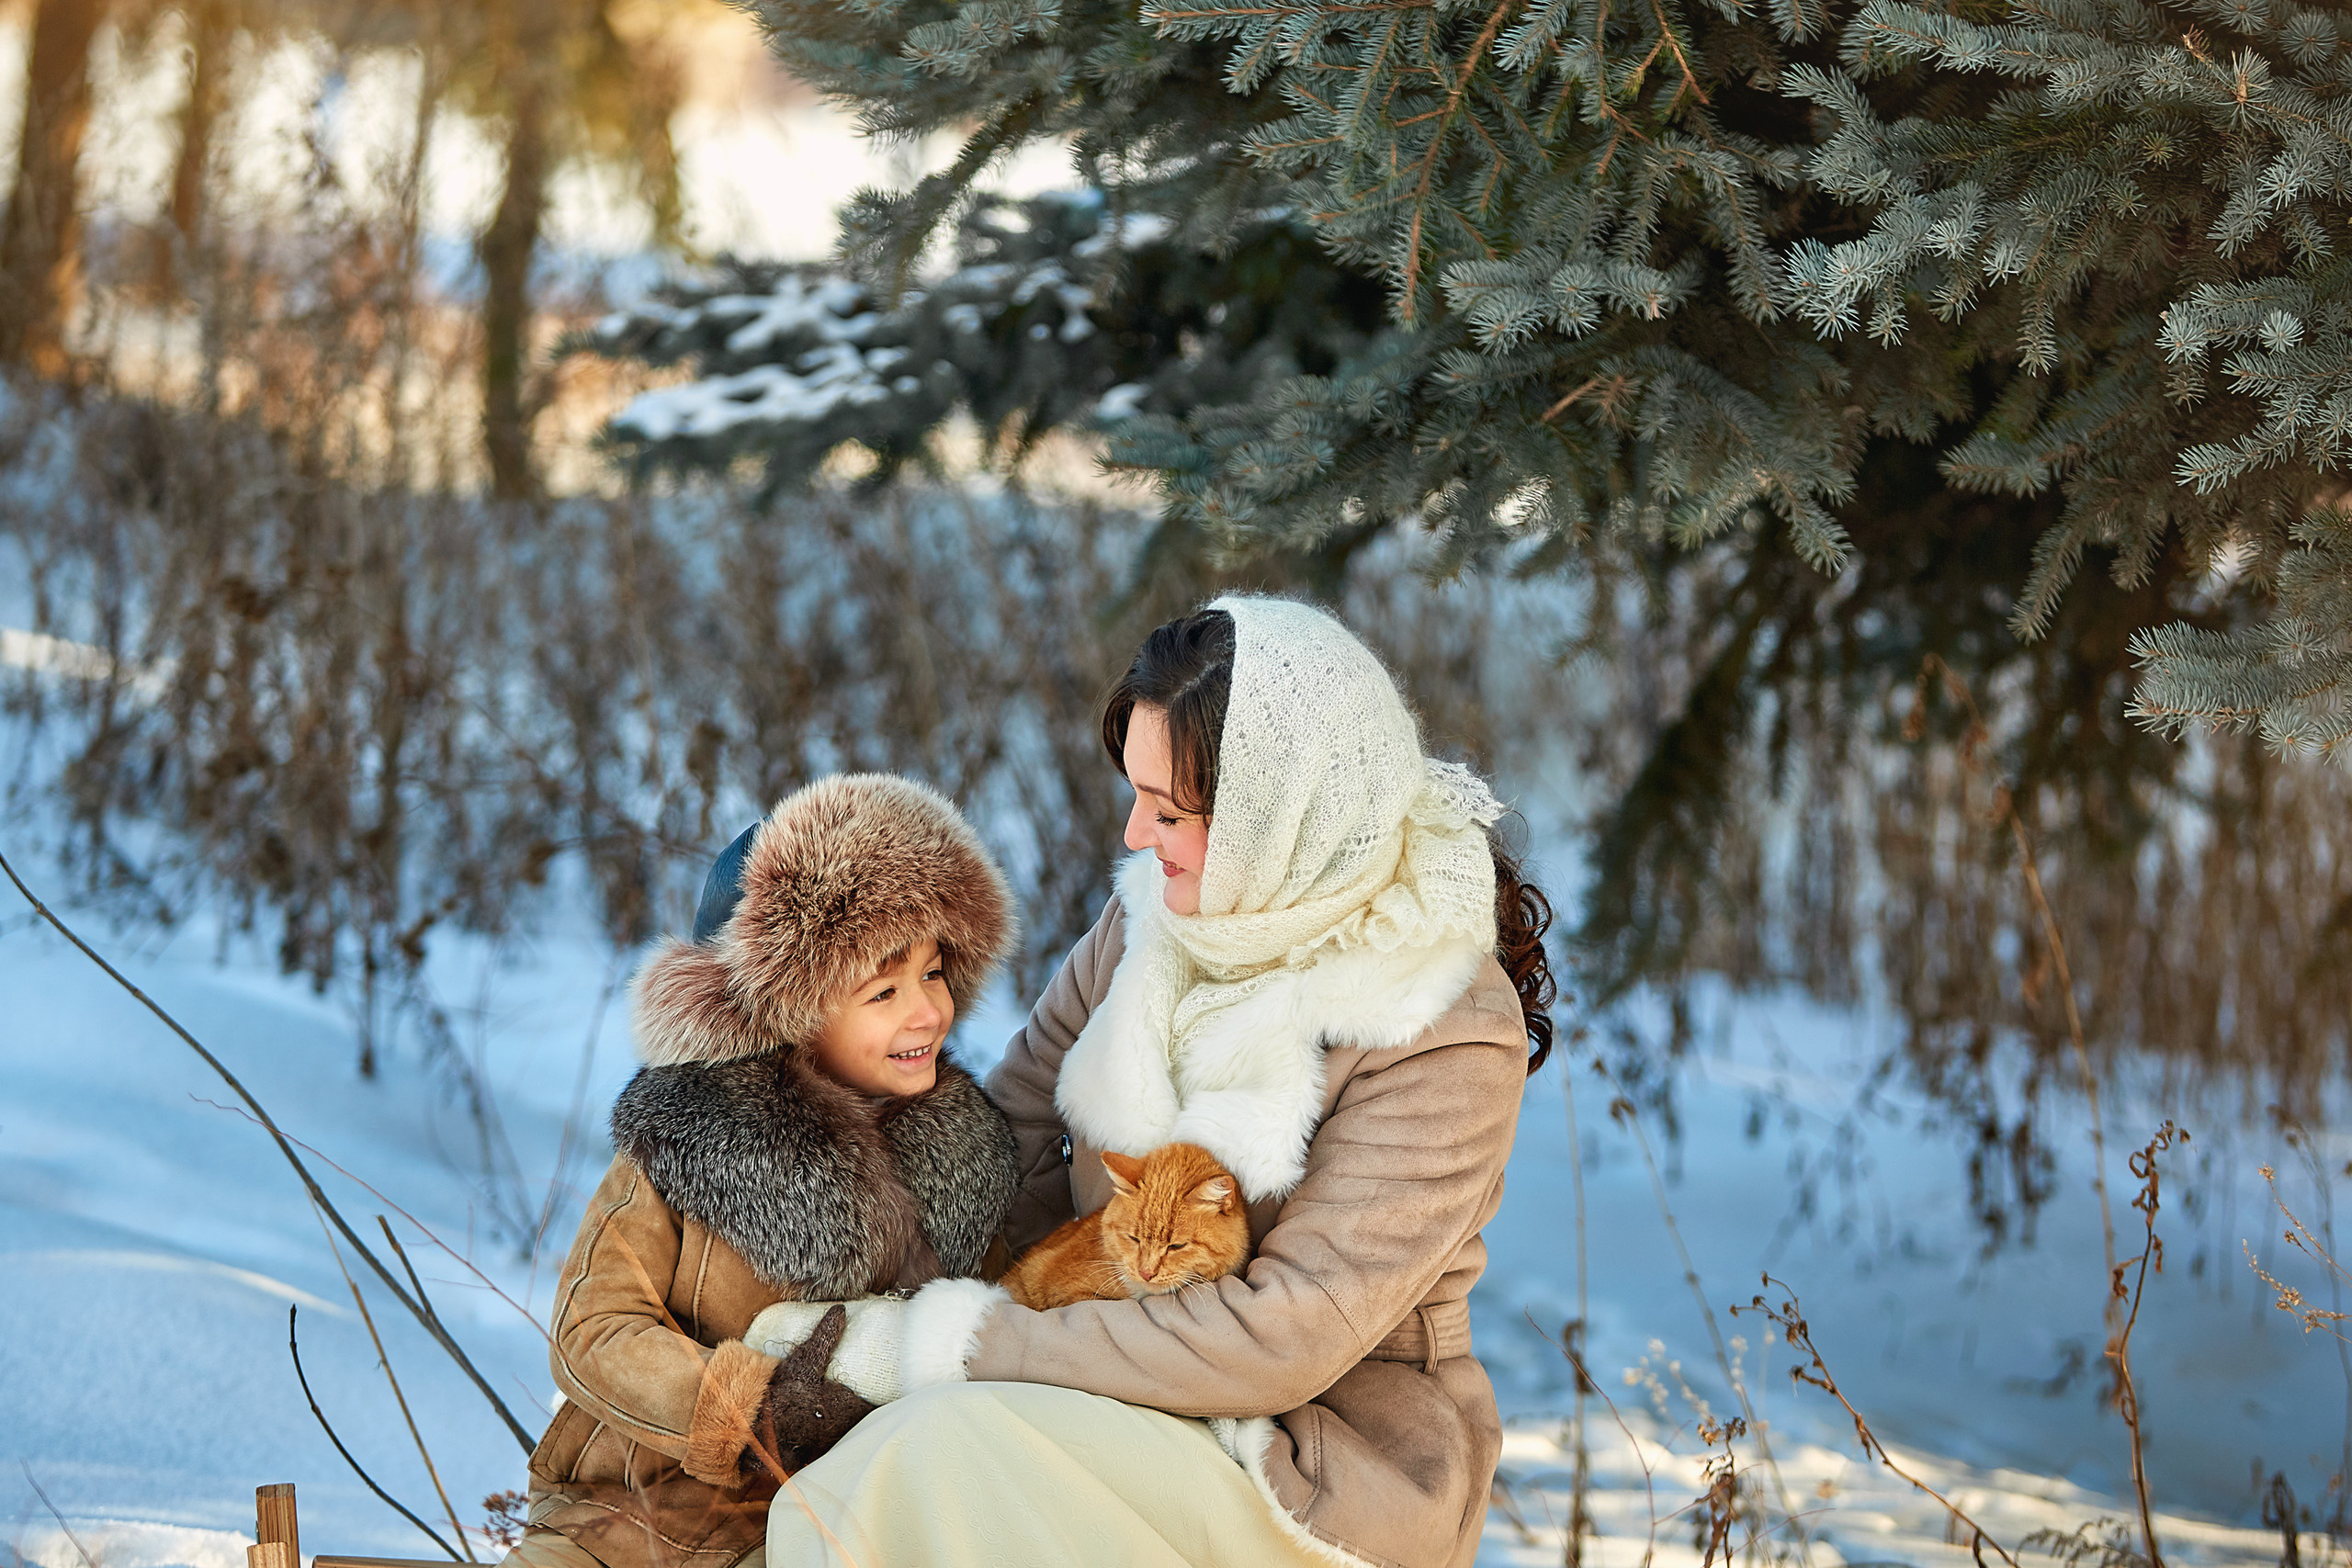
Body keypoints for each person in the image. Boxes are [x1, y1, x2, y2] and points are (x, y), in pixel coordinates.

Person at [751, 596, 1555, 1568]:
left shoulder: (1438, 1023)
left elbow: (1285, 1337)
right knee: (834, 1485)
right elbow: (997, 1144)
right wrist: (814, 1255)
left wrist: (961, 1345)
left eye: (1171, 811)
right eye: (1136, 795)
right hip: (1093, 1379)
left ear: (1281, 821)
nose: (1137, 835)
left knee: (934, 1455)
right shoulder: (1150, 927)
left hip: (1315, 1464)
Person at [505, 773, 1023, 1568]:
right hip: (617, 1518)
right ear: (791, 1011)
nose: (926, 1011)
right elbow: (594, 1330)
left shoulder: (964, 1160)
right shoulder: (683, 1138)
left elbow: (967, 1348)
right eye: (883, 989)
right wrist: (747, 1408)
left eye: (934, 973)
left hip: (798, 1535)